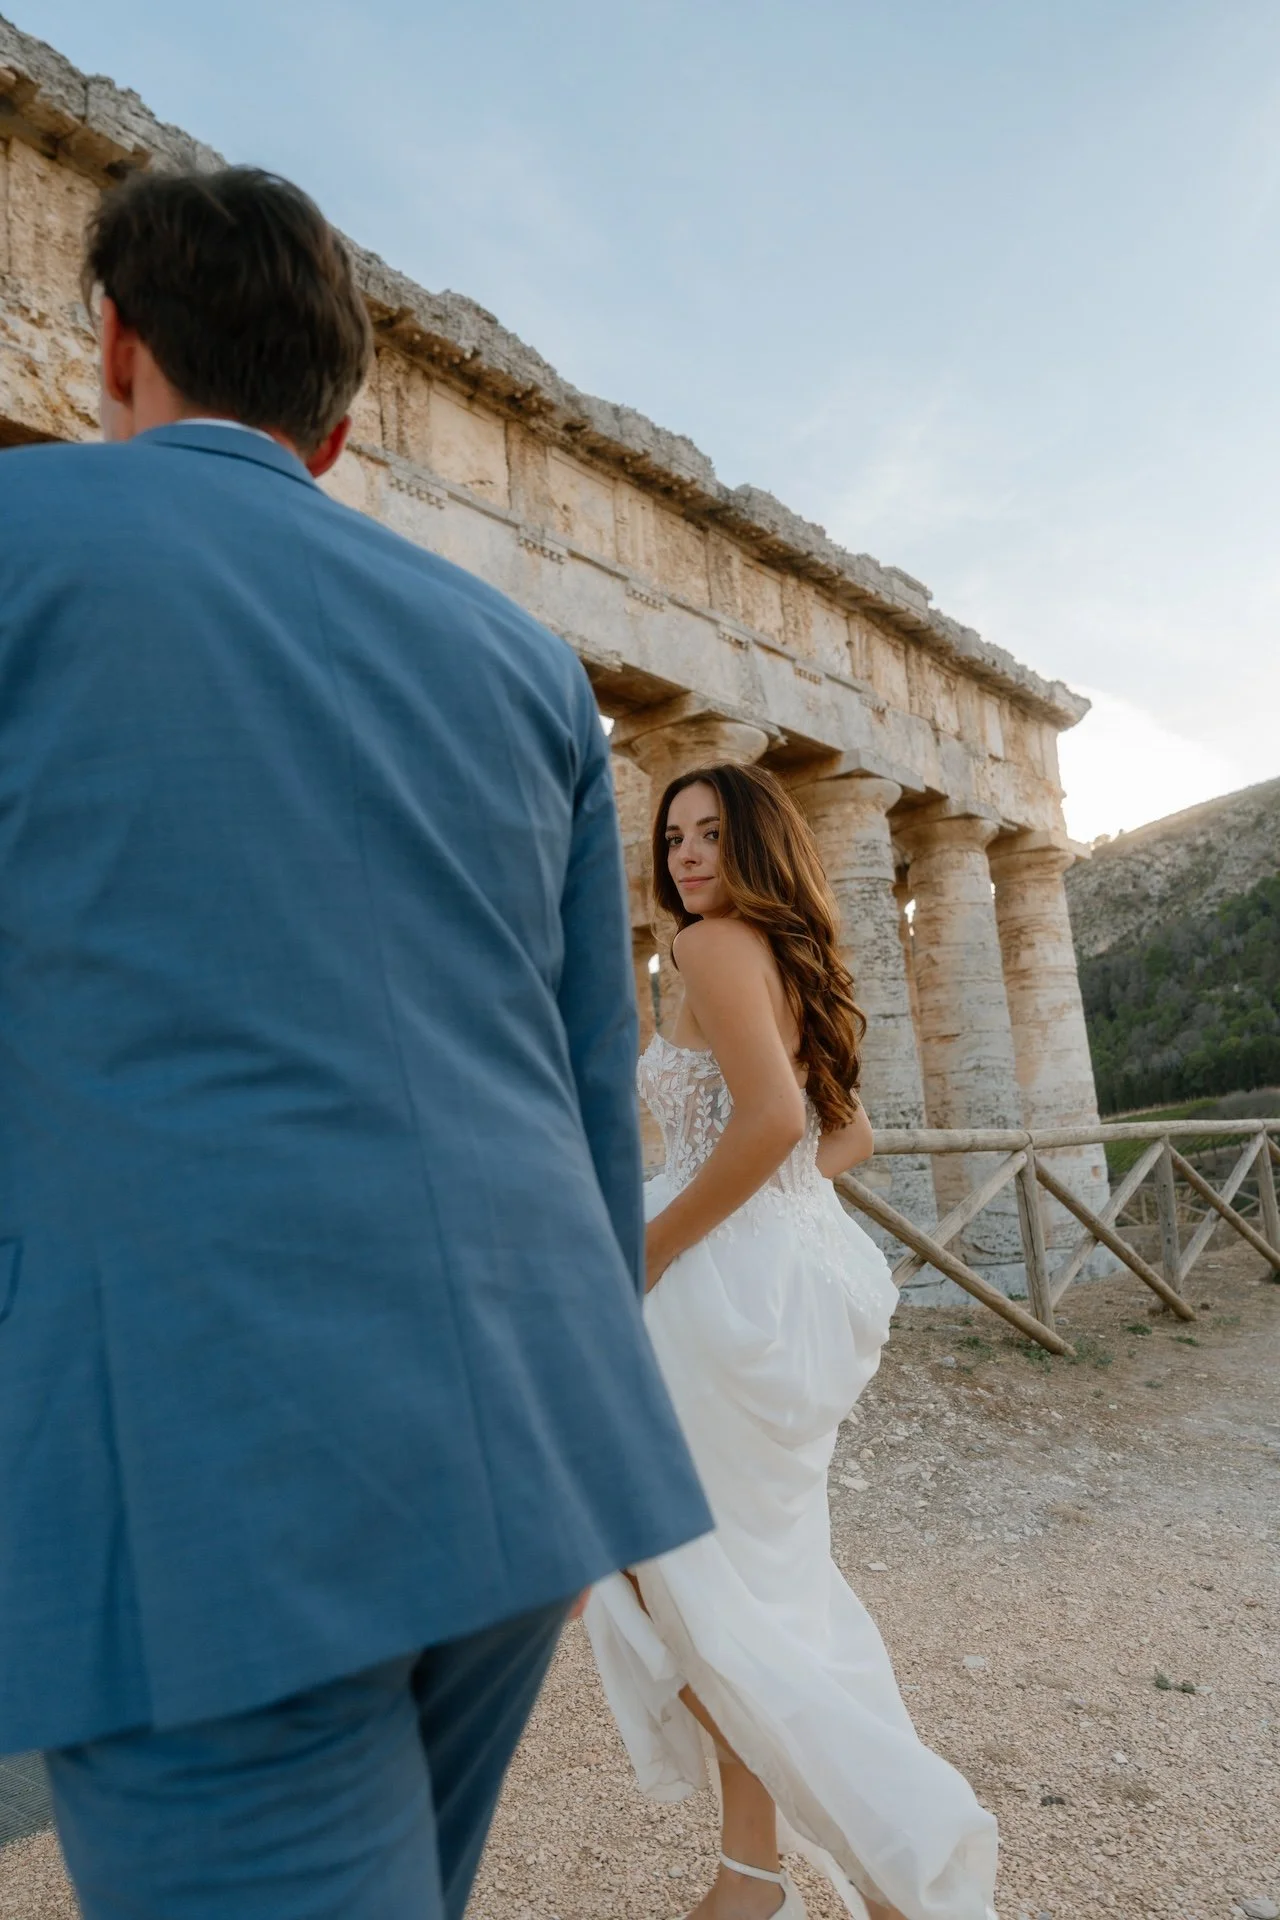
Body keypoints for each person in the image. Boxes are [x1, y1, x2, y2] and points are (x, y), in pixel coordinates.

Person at [0, 165, 711, 1920]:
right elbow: (587, 1086)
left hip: (207, 1451)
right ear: (333, 432)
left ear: (113, 346)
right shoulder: (526, 662)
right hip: (529, 1428)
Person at [584, 765, 999, 1920]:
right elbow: (845, 1135)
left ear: (756, 844)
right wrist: (770, 1216)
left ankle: (882, 1862)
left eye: (710, 835)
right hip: (775, 1285)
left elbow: (774, 1123)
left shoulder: (710, 947)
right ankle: (750, 1876)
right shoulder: (778, 954)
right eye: (673, 836)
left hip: (710, 1292)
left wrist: (655, 1248)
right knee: (746, 1594)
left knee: (666, 1583)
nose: (685, 856)